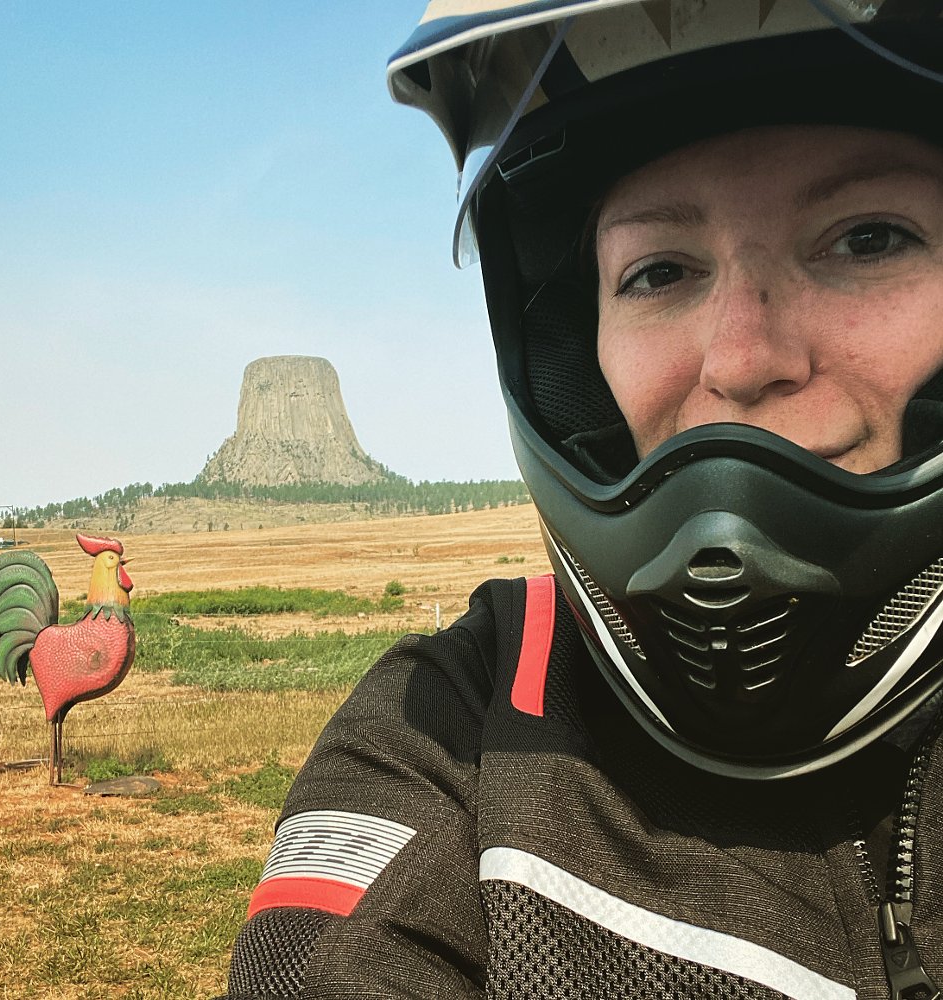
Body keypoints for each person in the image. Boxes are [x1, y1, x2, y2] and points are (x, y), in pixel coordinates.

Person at [221, 1, 943, 997]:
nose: (740, 359)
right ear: (570, 350)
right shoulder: (461, 724)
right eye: (658, 270)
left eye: (867, 239)